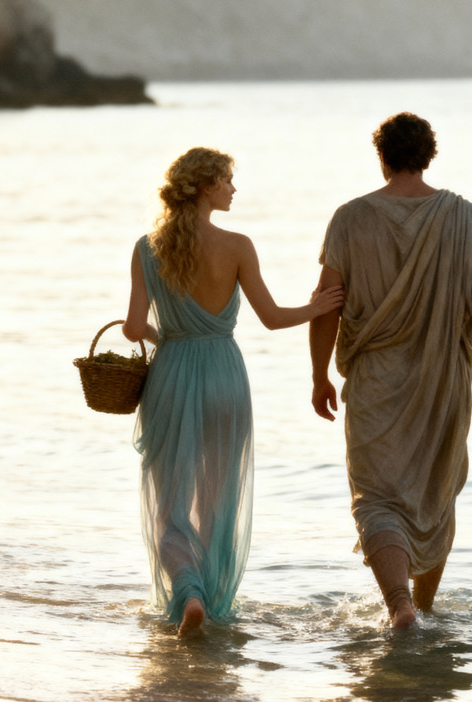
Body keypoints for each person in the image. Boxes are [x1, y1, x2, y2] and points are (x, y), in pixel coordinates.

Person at [309, 112, 472, 629]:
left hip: (375, 380)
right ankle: (421, 610)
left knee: (377, 495)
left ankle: (403, 606)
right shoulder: (462, 216)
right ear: (429, 156)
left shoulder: (350, 218)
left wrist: (319, 376)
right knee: (434, 491)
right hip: (442, 380)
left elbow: (325, 304)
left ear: (382, 157)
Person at [124, 146, 343, 636]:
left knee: (168, 509)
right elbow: (272, 318)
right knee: (215, 501)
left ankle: (190, 595)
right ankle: (207, 595)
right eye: (226, 180)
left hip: (173, 375)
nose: (233, 189)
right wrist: (318, 307)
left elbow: (134, 327)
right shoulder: (239, 245)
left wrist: (171, 338)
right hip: (225, 373)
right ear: (205, 187)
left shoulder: (145, 247)